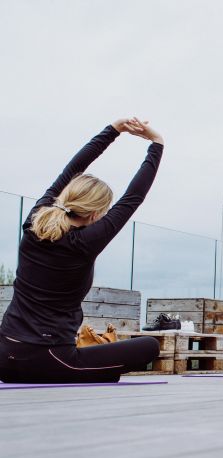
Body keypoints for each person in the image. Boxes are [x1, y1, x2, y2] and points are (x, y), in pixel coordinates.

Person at [0, 119, 164, 383]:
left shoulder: (35, 220)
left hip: (4, 352)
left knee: (102, 363)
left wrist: (114, 129)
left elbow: (72, 168)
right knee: (149, 346)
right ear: (97, 213)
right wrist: (157, 144)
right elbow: (133, 197)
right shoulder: (86, 241)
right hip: (50, 358)